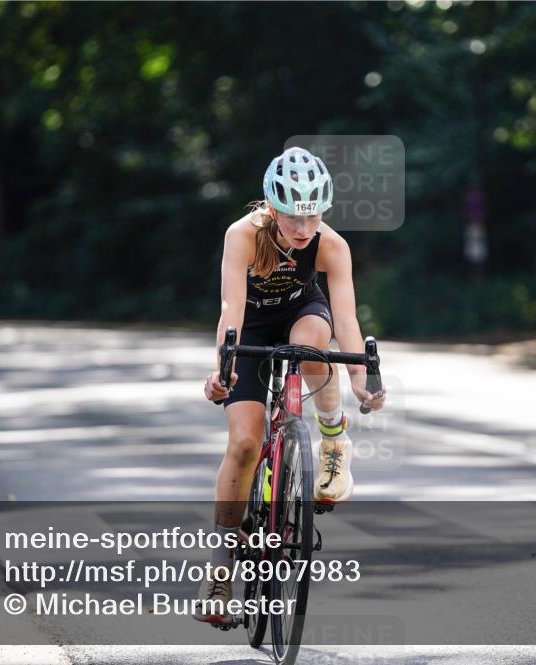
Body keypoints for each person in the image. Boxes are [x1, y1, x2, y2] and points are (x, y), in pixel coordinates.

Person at [194, 147, 386, 624]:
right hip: (253, 329)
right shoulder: (242, 235)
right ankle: (219, 572)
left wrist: (360, 381)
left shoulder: (331, 245)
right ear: (270, 206)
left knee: (312, 342)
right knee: (243, 443)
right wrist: (224, 369)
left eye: (313, 215)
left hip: (304, 315)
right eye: (293, 216)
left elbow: (346, 319)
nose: (303, 228)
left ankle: (333, 439)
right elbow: (231, 311)